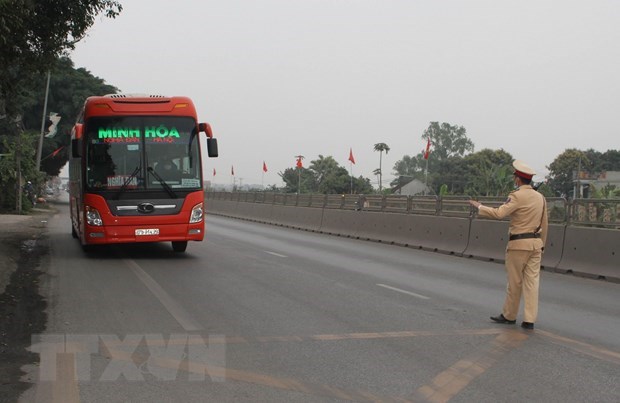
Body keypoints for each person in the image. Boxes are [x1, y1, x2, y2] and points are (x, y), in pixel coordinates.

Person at [468, 160, 548, 330]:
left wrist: (480, 206)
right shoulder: (540, 198)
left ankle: (510, 315)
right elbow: (545, 223)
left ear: (518, 179)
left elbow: (499, 213)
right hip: (536, 244)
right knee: (532, 283)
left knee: (515, 282)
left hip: (518, 244)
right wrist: (542, 245)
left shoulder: (517, 196)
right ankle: (529, 319)